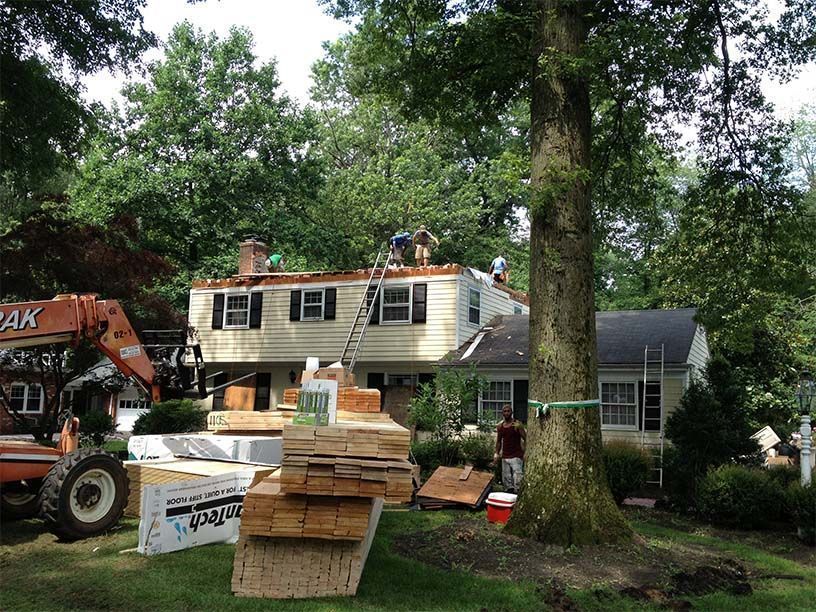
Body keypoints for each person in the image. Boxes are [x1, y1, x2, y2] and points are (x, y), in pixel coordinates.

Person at [494, 404, 525, 494]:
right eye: (505, 411)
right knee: (507, 479)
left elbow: (525, 438)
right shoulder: (500, 426)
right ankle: (509, 495)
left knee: (517, 478)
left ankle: (518, 495)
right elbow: (499, 441)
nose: (507, 413)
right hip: (505, 456)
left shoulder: (517, 424)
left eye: (508, 411)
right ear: (502, 413)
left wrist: (525, 452)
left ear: (511, 412)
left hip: (516, 456)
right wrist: (496, 453)